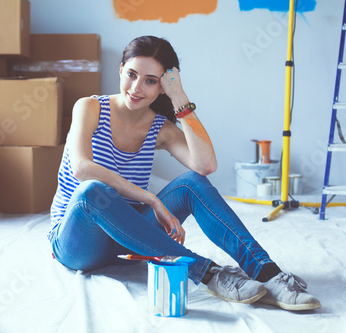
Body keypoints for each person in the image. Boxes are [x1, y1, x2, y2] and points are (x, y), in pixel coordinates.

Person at [48, 35, 321, 311]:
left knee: (192, 182)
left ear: (161, 87)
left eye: (150, 81)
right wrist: (151, 199)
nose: (136, 87)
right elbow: (83, 169)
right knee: (92, 192)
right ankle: (208, 273)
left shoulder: (160, 128)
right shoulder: (90, 107)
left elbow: (205, 166)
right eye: (131, 74)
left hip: (130, 241)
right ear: (120, 70)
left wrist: (179, 96)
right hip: (79, 244)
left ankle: (267, 273)